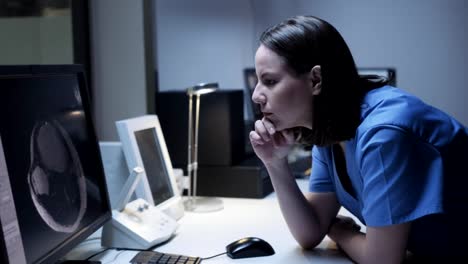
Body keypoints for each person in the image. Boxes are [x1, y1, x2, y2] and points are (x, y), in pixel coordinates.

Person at [249, 15, 468, 263]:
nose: (256, 95)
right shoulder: (329, 130)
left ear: (315, 80)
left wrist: (341, 231)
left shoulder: (383, 135)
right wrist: (275, 163)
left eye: (269, 81)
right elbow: (309, 233)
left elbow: (381, 261)